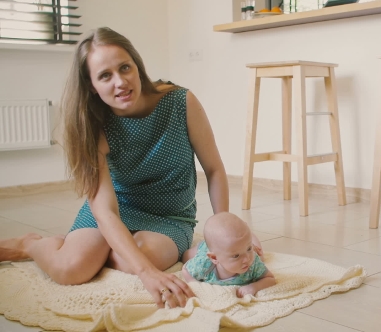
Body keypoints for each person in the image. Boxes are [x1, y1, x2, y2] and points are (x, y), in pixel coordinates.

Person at [0, 27, 229, 309]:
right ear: (91, 85)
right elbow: (105, 210)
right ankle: (31, 244)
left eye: (125, 68)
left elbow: (214, 169)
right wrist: (147, 275)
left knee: (137, 258)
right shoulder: (92, 125)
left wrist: (224, 230)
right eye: (105, 76)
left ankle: (94, 246)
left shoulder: (181, 102)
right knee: (70, 269)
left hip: (171, 216)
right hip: (115, 209)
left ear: (137, 65)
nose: (120, 82)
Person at [182, 212, 275, 298]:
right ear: (214, 258)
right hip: (203, 248)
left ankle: (251, 240)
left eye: (249, 249)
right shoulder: (203, 264)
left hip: (228, 247)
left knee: (260, 256)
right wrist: (194, 284)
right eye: (236, 256)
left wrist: (254, 287)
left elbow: (270, 278)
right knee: (184, 257)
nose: (247, 259)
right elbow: (186, 269)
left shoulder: (253, 263)